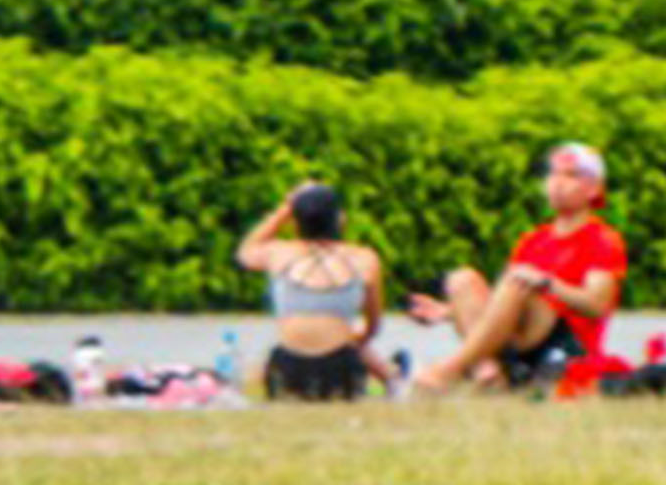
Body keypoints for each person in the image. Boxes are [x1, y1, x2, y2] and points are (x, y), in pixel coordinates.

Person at [409, 140, 620, 396]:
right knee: (463, 280)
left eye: (571, 175)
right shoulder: (534, 240)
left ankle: (448, 371)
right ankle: (488, 373)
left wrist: (547, 283)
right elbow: (502, 309)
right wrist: (449, 312)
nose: (557, 183)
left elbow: (597, 304)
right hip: (524, 336)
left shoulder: (602, 239)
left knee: (517, 281)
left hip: (567, 344)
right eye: (553, 174)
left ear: (593, 189)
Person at [240, 180, 391, 401]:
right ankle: (393, 378)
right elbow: (373, 325)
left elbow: (246, 251)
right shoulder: (364, 259)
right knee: (351, 342)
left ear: (295, 222)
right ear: (339, 219)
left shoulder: (278, 253)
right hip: (342, 371)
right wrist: (358, 341)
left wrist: (285, 209)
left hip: (287, 370)